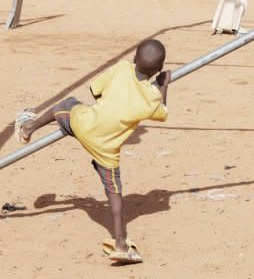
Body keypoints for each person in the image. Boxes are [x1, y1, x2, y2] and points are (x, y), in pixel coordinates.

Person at [13, 38, 170, 264]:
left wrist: (107, 103)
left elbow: (94, 89)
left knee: (64, 105)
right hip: (107, 149)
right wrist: (164, 84)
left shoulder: (122, 69)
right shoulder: (151, 97)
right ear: (160, 69)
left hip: (85, 125)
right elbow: (162, 112)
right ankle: (120, 242)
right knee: (114, 192)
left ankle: (28, 127)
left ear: (134, 58)